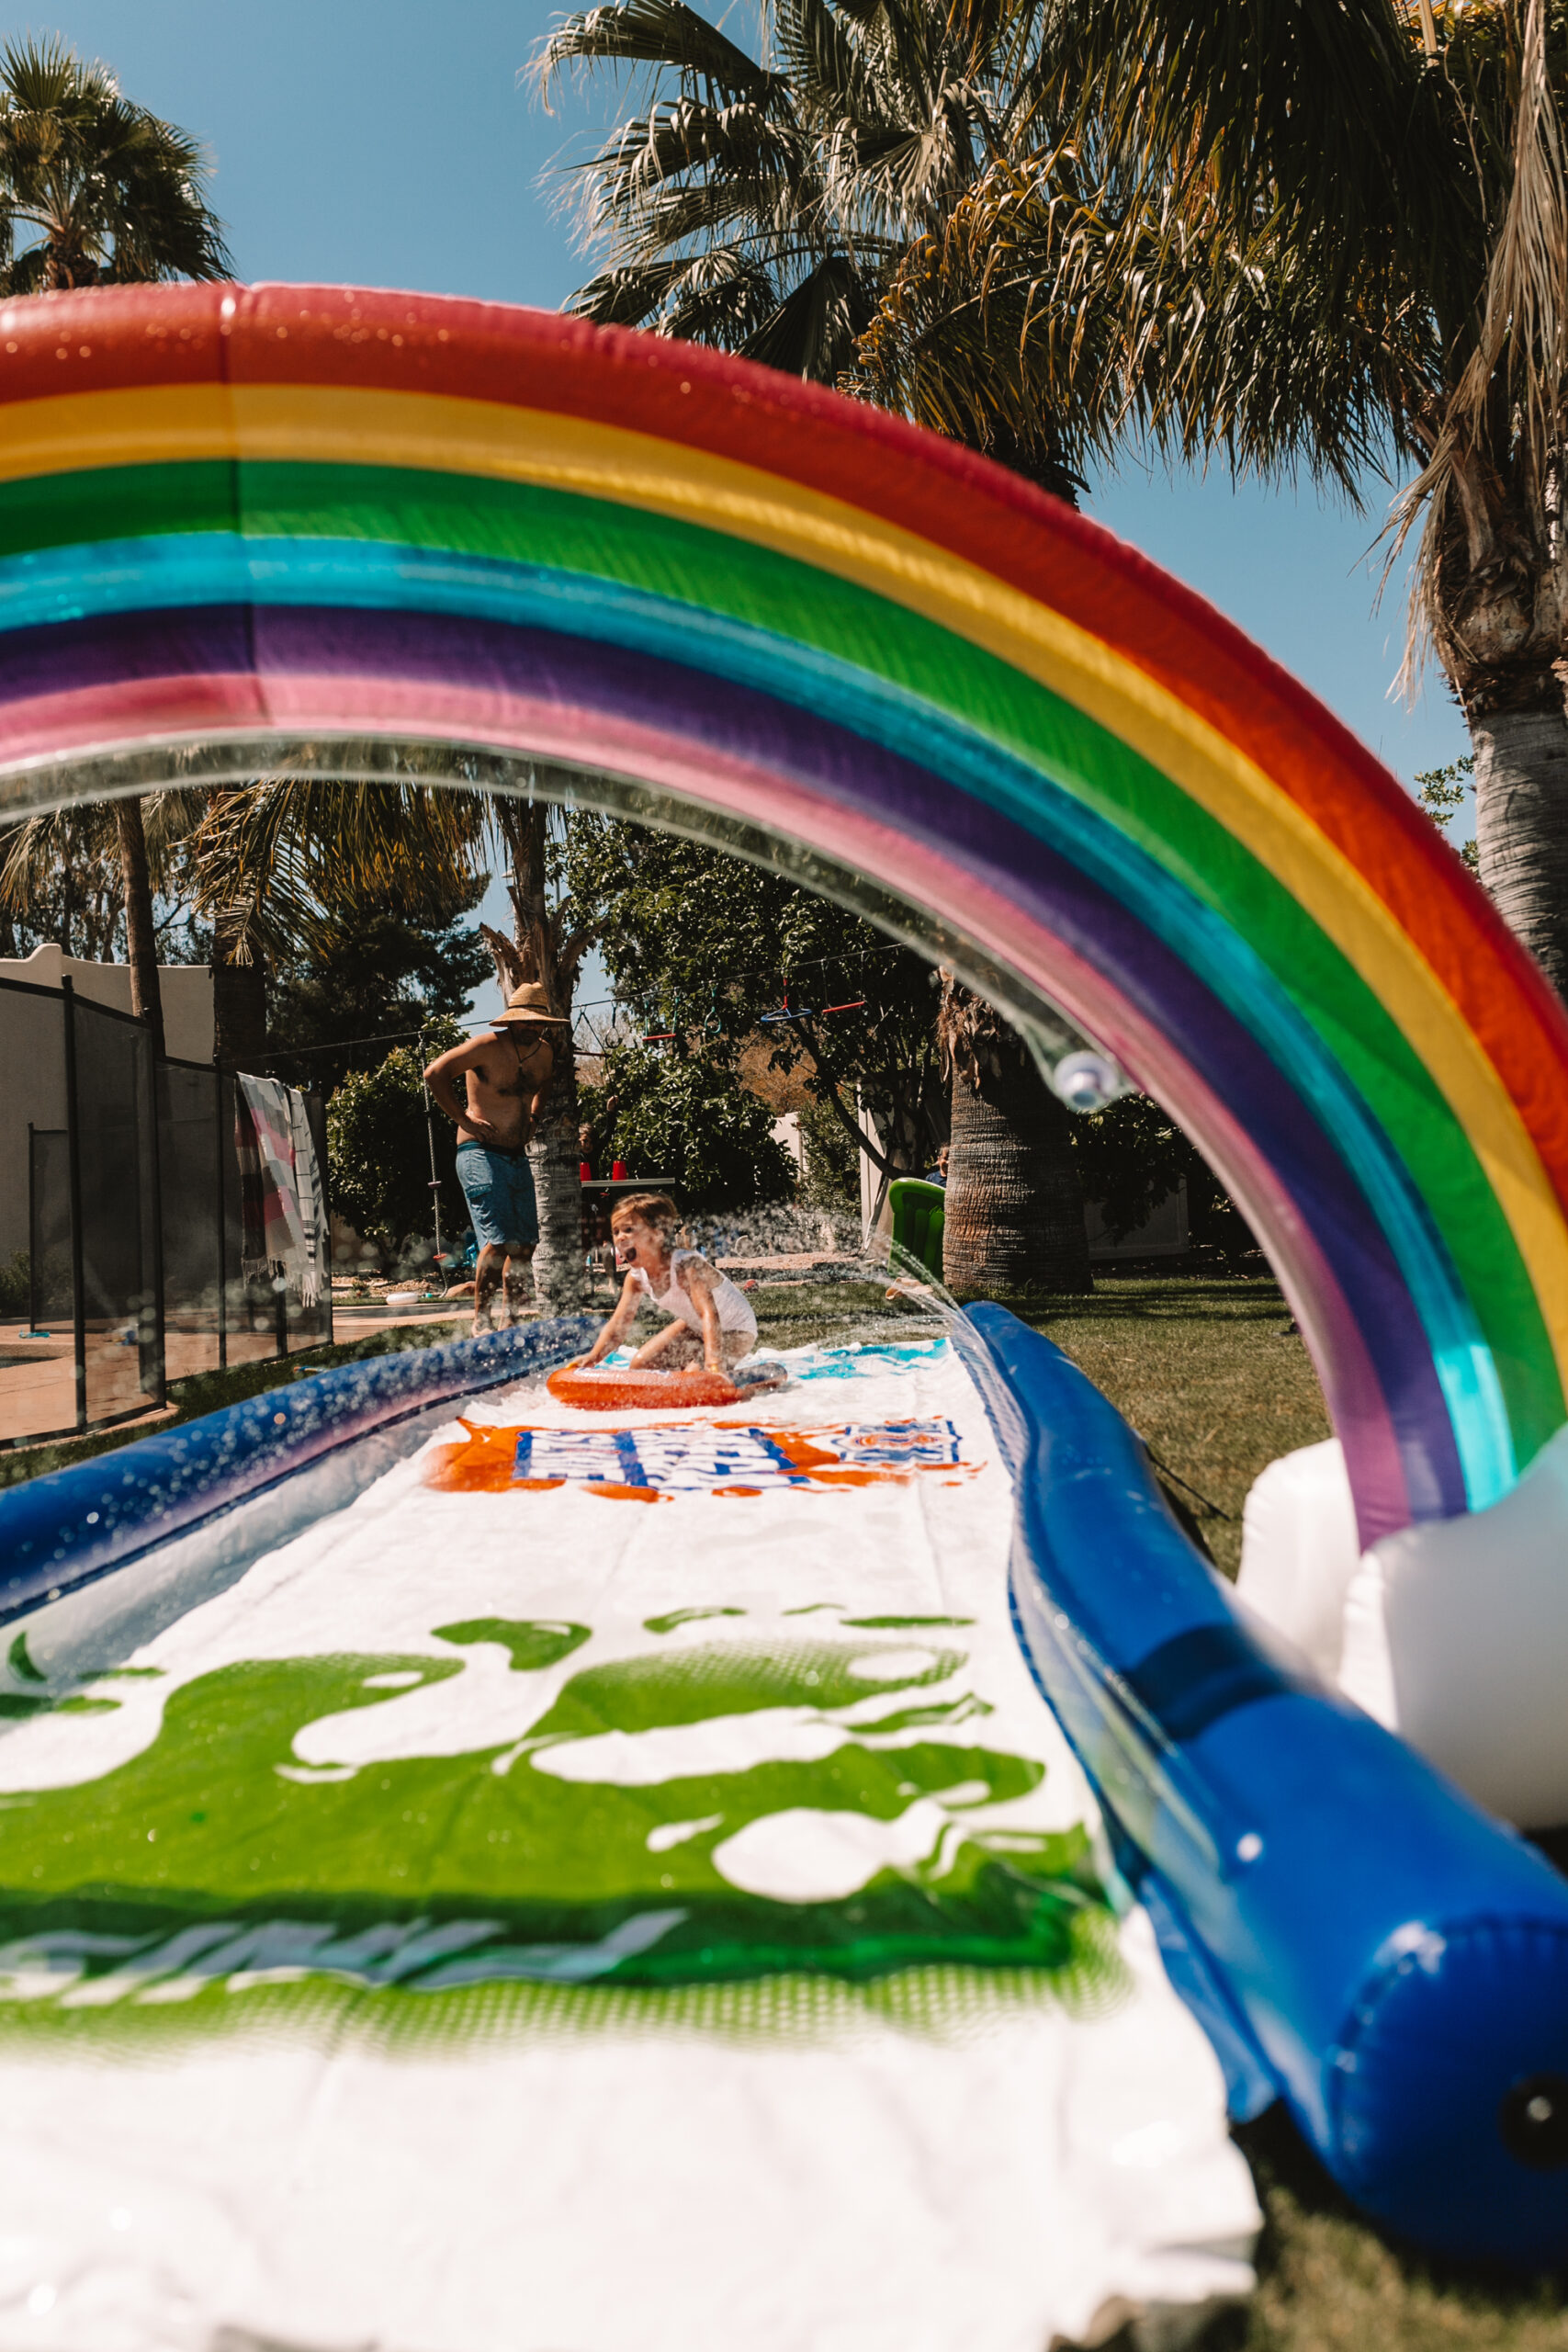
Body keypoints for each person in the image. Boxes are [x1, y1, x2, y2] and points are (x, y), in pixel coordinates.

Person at [423, 983, 568, 1335]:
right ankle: (481, 1321)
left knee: (524, 1246)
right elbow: (435, 1073)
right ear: (511, 1021)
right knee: (500, 1241)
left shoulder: (544, 1053)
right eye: (524, 1022)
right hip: (479, 1153)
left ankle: (511, 1322)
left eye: (537, 1023)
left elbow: (545, 1084)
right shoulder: (485, 1046)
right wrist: (464, 1119)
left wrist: (534, 1117)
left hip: (517, 1154)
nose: (531, 1028)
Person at [572, 1193, 782, 1388]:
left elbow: (708, 1312)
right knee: (640, 1367)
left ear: (657, 1234)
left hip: (736, 1328)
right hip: (694, 1326)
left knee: (698, 1380)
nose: (620, 1238)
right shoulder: (635, 1278)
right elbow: (618, 1326)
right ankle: (698, 1375)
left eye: (629, 1230)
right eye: (616, 1231)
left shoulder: (686, 1265)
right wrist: (593, 1358)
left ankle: (759, 1377)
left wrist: (713, 1362)